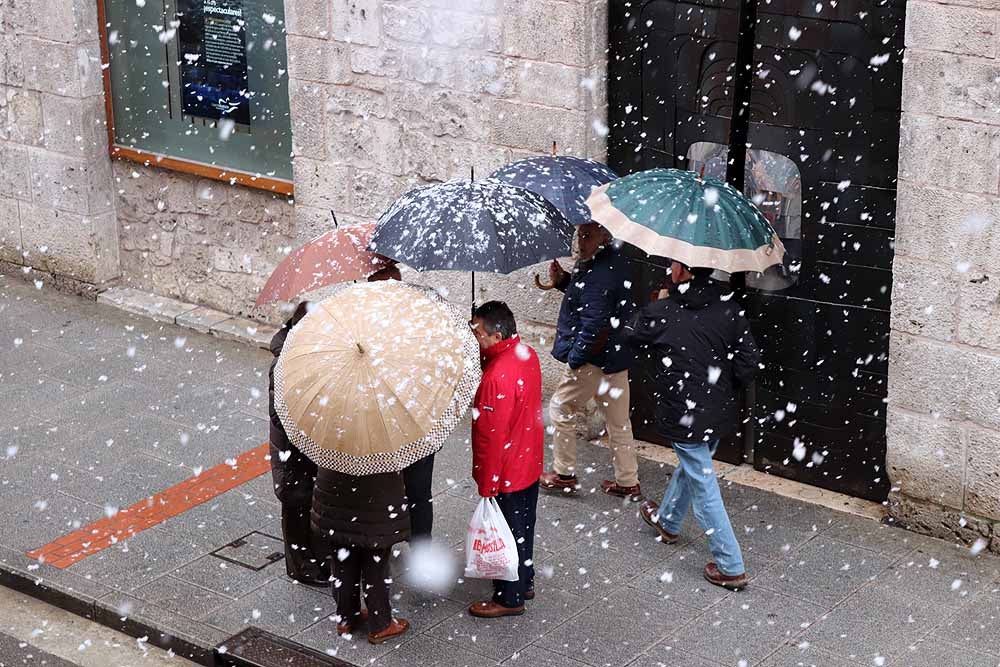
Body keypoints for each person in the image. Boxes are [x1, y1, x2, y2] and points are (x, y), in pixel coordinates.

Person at [625, 261, 759, 591]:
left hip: (683, 412)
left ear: (682, 270)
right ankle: (668, 521)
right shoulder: (729, 310)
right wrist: (723, 389)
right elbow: (750, 363)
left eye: (673, 264)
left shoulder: (664, 310)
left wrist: (655, 306)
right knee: (695, 464)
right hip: (717, 411)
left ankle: (731, 565)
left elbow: (631, 333)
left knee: (703, 484)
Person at [539, 222, 640, 499]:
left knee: (561, 408)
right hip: (615, 358)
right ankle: (628, 481)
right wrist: (564, 282)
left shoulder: (600, 270)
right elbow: (592, 299)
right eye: (579, 235)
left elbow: (595, 322)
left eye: (587, 236)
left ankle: (563, 474)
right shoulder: (610, 262)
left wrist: (575, 358)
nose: (580, 242)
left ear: (604, 236)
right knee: (618, 422)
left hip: (594, 359)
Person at [467, 301, 544, 618]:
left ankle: (509, 597)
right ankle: (525, 578)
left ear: (496, 335)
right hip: (528, 461)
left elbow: (491, 437)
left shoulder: (495, 378)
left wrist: (487, 482)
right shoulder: (527, 355)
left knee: (505, 531)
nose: (475, 337)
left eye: (478, 332)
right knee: (524, 525)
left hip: (506, 469)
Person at [367, 262, 434, 542]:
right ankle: (416, 543)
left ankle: (397, 541)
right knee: (416, 490)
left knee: (402, 489)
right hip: (414, 423)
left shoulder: (381, 329)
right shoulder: (419, 321)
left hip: (403, 424)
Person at [311, 467, 411, 643]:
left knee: (342, 559)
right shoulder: (384, 441)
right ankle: (380, 624)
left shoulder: (329, 440)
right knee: (375, 563)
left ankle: (346, 617)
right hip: (376, 502)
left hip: (334, 499)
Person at [268, 301, 328, 586]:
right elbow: (281, 416)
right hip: (292, 455)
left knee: (308, 506)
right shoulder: (284, 365)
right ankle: (300, 567)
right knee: (296, 508)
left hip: (305, 452)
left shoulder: (303, 356)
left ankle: (314, 559)